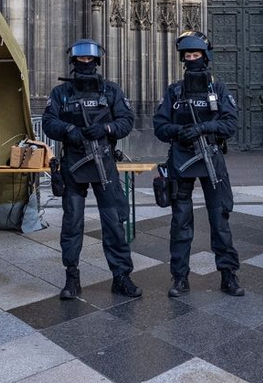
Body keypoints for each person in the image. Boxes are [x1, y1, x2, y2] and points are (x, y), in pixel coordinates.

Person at [41, 40, 142, 301]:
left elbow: (126, 120)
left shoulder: (111, 90)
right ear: (73, 61)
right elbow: (49, 122)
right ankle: (72, 277)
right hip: (74, 164)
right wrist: (69, 130)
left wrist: (106, 128)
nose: (85, 63)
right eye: (81, 59)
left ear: (96, 62)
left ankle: (121, 277)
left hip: (103, 163)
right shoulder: (61, 93)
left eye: (89, 59)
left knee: (114, 223)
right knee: (72, 223)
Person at [153, 31, 243, 298]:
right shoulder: (175, 91)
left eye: (196, 54)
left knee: (219, 219)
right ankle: (180, 277)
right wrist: (179, 131)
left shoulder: (218, 89)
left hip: (211, 159)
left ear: (205, 56)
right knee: (180, 222)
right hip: (181, 159)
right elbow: (160, 126)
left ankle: (228, 275)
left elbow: (230, 124)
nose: (192, 59)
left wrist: (203, 128)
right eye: (188, 55)